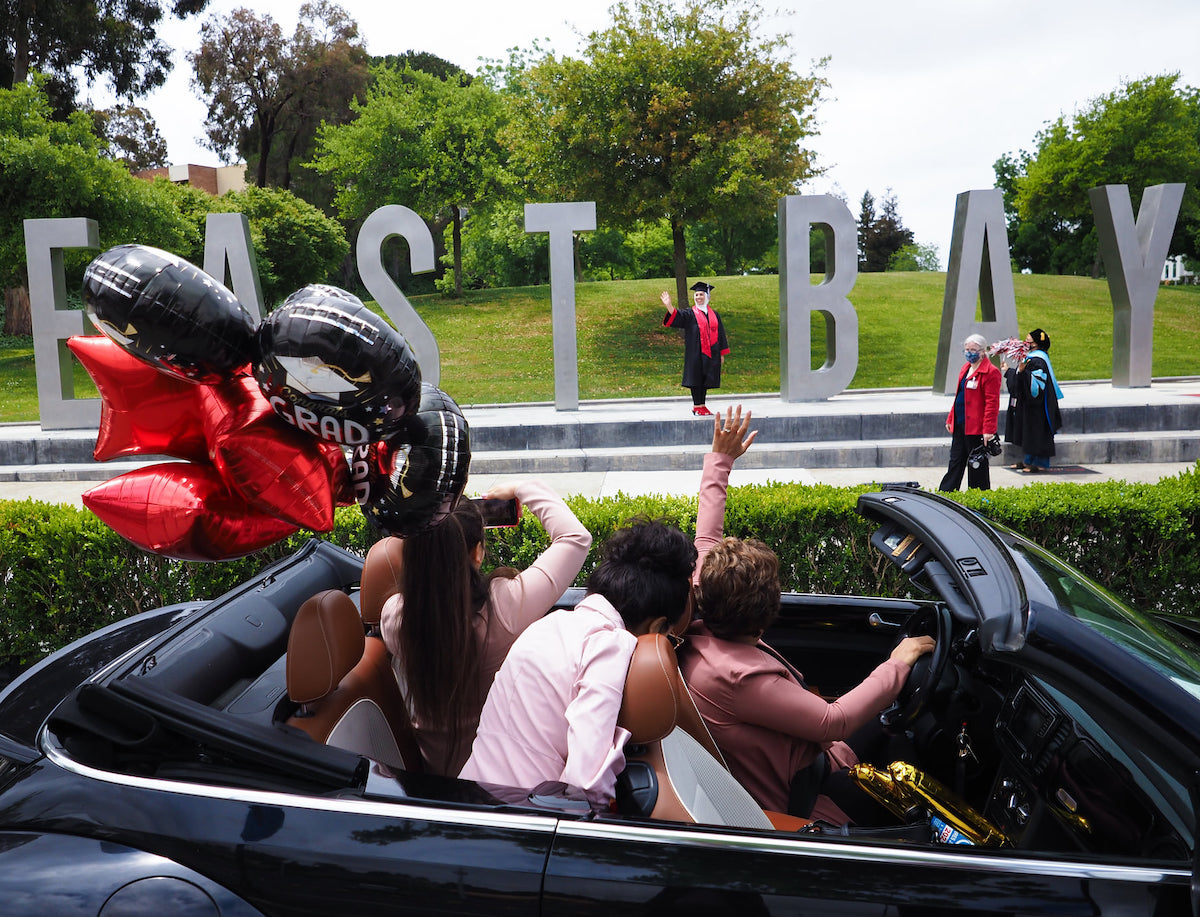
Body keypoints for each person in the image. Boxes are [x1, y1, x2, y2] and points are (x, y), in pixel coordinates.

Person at [677, 405, 935, 823]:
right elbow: (834, 721)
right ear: (765, 616)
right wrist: (898, 664)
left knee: (893, 729)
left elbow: (707, 535)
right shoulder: (740, 678)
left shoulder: (700, 622)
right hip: (804, 791)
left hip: (807, 761)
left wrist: (720, 461)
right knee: (908, 755)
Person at [460, 517, 697, 808]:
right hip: (524, 821)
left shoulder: (547, 624)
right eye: (668, 638)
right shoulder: (611, 644)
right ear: (657, 627)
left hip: (470, 799)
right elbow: (586, 784)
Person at [379, 479, 592, 777]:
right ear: (477, 552)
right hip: (495, 777)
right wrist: (523, 487)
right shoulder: (506, 607)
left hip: (432, 779)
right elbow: (575, 539)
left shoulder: (394, 618)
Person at [939, 333, 1001, 491]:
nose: (969, 353)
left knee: (977, 463)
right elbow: (959, 396)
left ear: (982, 351)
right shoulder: (965, 368)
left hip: (976, 427)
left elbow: (992, 403)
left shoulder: (991, 372)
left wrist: (989, 429)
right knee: (955, 461)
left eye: (973, 350)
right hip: (960, 423)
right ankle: (947, 493)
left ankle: (978, 496)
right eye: (967, 349)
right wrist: (950, 418)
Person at [660, 282, 729, 416]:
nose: (698, 297)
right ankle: (697, 406)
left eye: (701, 294)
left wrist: (721, 353)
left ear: (707, 296)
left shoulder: (715, 315)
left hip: (711, 353)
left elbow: (721, 334)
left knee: (705, 380)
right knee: (696, 379)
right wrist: (669, 305)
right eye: (696, 294)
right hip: (695, 353)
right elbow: (677, 316)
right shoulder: (690, 314)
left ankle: (702, 405)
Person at [1002, 328, 1062, 473]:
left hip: (1039, 405)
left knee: (1038, 432)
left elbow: (1035, 385)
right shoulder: (1032, 357)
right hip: (1029, 404)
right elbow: (1022, 378)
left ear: (1035, 344)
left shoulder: (1038, 360)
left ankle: (1040, 463)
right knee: (1029, 432)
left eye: (1028, 341)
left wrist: (1017, 372)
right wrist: (1011, 371)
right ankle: (1028, 460)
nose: (1026, 343)